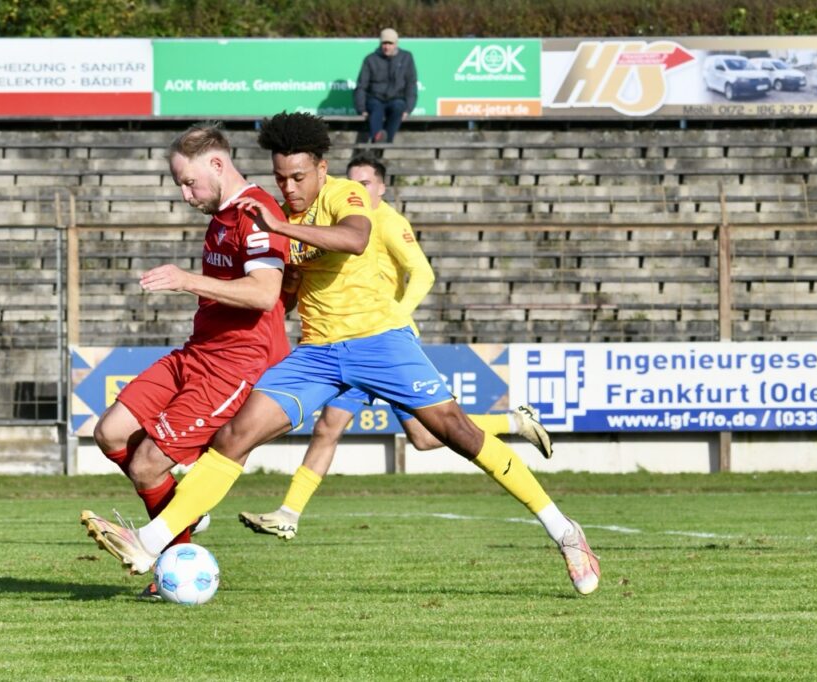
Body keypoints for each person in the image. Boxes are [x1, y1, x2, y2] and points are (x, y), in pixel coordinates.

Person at [82, 112, 600, 596]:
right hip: (318, 353)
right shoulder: (276, 211)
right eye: (281, 178)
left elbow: (353, 239)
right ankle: (150, 542)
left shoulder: (344, 194)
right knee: (235, 436)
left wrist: (280, 228)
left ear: (321, 168)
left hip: (380, 340)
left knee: (454, 434)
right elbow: (282, 290)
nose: (289, 188)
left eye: (298, 177)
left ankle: (564, 531)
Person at [238, 154, 553, 540]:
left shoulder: (387, 222)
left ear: (382, 187)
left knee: (424, 436)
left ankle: (513, 423)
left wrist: (397, 318)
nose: (357, 190)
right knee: (341, 428)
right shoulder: (330, 219)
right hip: (343, 341)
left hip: (383, 341)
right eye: (352, 182)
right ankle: (288, 513)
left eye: (366, 184)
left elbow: (422, 273)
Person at [79, 122, 291, 600]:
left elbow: (264, 293)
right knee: (110, 432)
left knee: (147, 466)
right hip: (197, 352)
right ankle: (186, 508)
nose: (185, 194)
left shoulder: (257, 213)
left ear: (217, 164)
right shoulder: (220, 217)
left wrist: (185, 280)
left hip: (234, 365)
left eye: (189, 182)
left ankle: (171, 562)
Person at [354, 28, 418, 144]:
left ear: (396, 44)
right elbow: (361, 86)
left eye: (390, 43)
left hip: (396, 98)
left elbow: (411, 84)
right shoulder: (370, 59)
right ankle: (377, 138)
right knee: (376, 109)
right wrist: (361, 109)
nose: (387, 47)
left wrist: (408, 109)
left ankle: (385, 141)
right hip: (375, 98)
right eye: (384, 43)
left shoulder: (406, 57)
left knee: (398, 108)